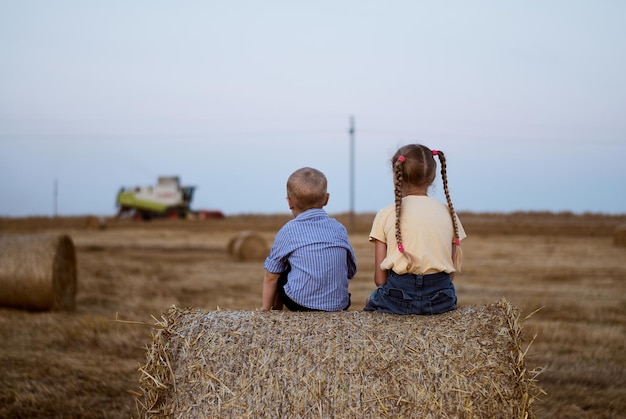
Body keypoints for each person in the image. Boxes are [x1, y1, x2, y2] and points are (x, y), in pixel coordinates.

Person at [363, 144, 466, 315]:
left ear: (397, 176)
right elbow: (451, 273)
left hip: (397, 298)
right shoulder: (449, 213)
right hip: (441, 299)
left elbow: (380, 280)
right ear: (433, 177)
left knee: (370, 300)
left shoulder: (385, 214)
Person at [260, 167, 357, 312]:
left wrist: (264, 308)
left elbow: (271, 276)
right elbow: (351, 270)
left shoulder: (288, 231)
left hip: (301, 304)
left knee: (281, 269)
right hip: (340, 305)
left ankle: (274, 311)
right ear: (326, 199)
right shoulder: (339, 228)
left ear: (289, 202)